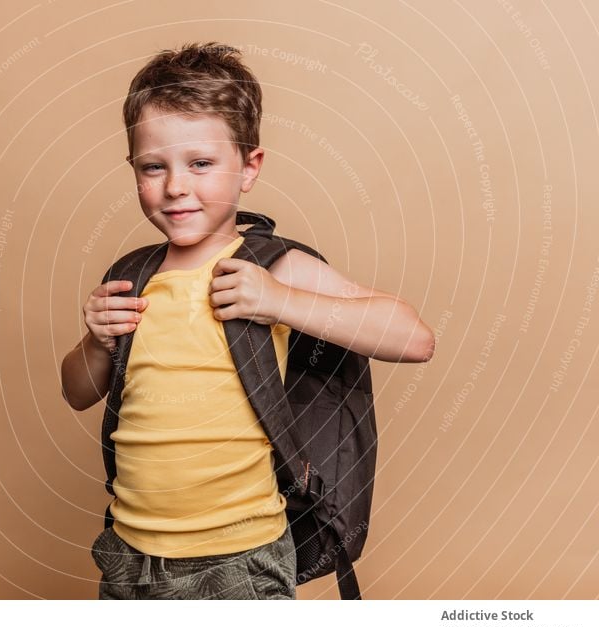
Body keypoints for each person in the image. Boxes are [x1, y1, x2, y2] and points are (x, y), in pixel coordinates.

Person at [61, 41, 435, 599]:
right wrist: (96, 342)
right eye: (153, 167)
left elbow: (414, 338)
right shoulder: (132, 276)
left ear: (249, 168)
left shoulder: (272, 265)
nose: (176, 186)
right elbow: (77, 393)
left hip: (240, 560)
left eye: (202, 164)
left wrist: (279, 301)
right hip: (128, 552)